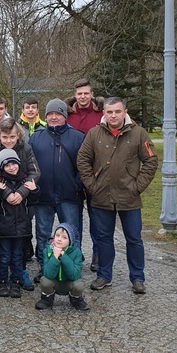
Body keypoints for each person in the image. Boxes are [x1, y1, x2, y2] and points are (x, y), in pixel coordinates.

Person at [77, 97, 158, 294]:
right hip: (101, 197)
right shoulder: (94, 134)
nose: (114, 115)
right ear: (104, 113)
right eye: (110, 112)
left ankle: (137, 277)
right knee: (104, 238)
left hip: (129, 197)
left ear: (125, 112)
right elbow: (83, 160)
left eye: (117, 112)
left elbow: (151, 161)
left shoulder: (138, 134)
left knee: (134, 239)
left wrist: (137, 187)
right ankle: (104, 275)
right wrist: (92, 187)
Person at [29, 98, 85, 283]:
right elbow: (30, 165)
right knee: (43, 234)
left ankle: (73, 268)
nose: (53, 117)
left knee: (72, 234)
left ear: (64, 116)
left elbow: (84, 166)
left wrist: (77, 185)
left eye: (58, 113)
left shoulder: (77, 137)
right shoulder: (36, 138)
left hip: (68, 195)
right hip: (43, 195)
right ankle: (45, 267)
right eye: (50, 114)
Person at [0, 118, 40, 291]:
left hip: (22, 200)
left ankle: (21, 273)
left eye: (12, 137)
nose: (8, 141)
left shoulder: (26, 148)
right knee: (2, 244)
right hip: (2, 202)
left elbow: (34, 172)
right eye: (5, 137)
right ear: (0, 136)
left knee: (21, 241)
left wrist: (22, 193)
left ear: (18, 136)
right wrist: (6, 193)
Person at [65, 79, 104, 272]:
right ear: (75, 94)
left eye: (86, 93)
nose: (82, 97)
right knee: (74, 218)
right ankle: (75, 253)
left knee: (96, 217)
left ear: (91, 94)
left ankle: (98, 255)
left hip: (96, 173)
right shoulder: (68, 115)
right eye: (79, 93)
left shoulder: (100, 114)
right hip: (73, 173)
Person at [0, 149, 39, 299]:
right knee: (4, 256)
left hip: (21, 228)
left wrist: (35, 190)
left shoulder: (25, 181)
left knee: (18, 256)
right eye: (7, 165)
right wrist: (0, 193)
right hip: (3, 229)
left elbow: (33, 201)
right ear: (2, 167)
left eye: (14, 164)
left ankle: (16, 282)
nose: (11, 168)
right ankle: (1, 281)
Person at [34, 222, 88, 310]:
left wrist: (64, 257)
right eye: (57, 235)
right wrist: (55, 257)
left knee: (79, 285)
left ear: (70, 241)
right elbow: (48, 273)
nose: (59, 239)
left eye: (64, 237)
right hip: (54, 281)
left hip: (69, 282)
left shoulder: (77, 252)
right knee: (44, 280)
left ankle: (76, 299)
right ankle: (47, 298)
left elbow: (75, 275)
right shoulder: (48, 250)